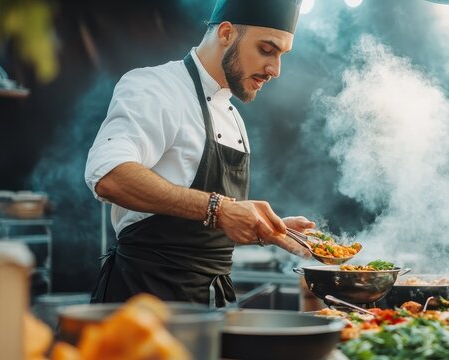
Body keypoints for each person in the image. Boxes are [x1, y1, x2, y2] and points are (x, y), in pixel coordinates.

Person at [84, 0, 313, 307]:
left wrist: (266, 229)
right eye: (266, 50)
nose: (275, 70)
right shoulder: (155, 87)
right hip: (143, 304)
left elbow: (199, 233)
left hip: (209, 308)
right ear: (227, 33)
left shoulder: (234, 119)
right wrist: (219, 209)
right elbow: (108, 175)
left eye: (281, 56)